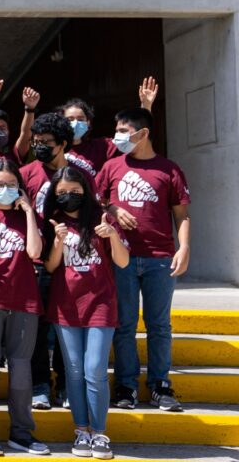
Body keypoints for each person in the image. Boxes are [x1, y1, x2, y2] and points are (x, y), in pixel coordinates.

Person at [96, 107, 191, 412]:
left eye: (124, 131)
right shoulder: (111, 167)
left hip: (159, 258)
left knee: (159, 325)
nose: (118, 137)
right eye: (118, 130)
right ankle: (126, 385)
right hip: (121, 256)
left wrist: (184, 247)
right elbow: (97, 198)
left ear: (143, 134)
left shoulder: (169, 170)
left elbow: (182, 214)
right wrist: (113, 210)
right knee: (124, 324)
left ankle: (161, 386)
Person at [42, 166, 129, 461]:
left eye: (75, 192)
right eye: (62, 193)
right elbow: (51, 267)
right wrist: (56, 240)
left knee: (94, 370)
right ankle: (82, 430)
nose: (69, 197)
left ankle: (100, 432)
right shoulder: (53, 222)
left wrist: (113, 235)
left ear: (86, 190)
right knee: (75, 371)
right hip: (65, 305)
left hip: (100, 303)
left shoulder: (101, 218)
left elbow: (123, 262)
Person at [0, 160, 48, 456]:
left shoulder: (30, 217)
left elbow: (35, 252)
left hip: (25, 299)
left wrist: (28, 211)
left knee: (21, 367)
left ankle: (22, 433)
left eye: (11, 184)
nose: (5, 189)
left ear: (20, 188)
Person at [21, 112, 87, 410]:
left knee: (66, 327)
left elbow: (92, 211)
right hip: (35, 263)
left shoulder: (80, 175)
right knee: (36, 329)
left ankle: (65, 384)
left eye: (46, 142)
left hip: (70, 263)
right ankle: (40, 386)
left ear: (62, 143)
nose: (39, 147)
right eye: (36, 142)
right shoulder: (26, 174)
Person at [57, 76, 158, 177]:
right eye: (70, 119)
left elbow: (136, 137)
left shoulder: (102, 147)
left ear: (88, 122)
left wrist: (146, 106)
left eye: (80, 119)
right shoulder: (54, 147)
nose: (75, 123)